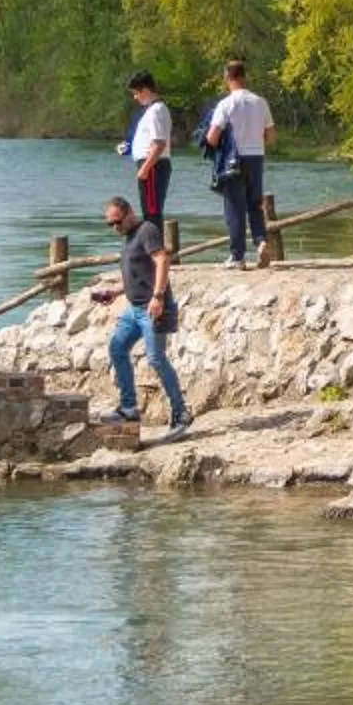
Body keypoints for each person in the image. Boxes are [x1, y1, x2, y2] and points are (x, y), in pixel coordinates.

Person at [91, 194, 188, 439]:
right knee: (117, 348)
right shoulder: (130, 237)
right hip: (134, 309)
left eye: (118, 222)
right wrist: (115, 291)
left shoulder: (147, 231)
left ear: (130, 213)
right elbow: (141, 273)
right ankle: (129, 408)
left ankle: (181, 413)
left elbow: (162, 259)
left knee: (156, 359)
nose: (115, 228)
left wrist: (158, 297)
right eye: (110, 224)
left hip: (152, 308)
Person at [206, 58, 274, 268]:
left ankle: (238, 257)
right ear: (244, 77)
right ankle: (261, 241)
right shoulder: (260, 102)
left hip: (233, 161)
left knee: (234, 208)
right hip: (256, 156)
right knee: (255, 203)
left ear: (228, 78)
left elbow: (212, 136)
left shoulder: (226, 104)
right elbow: (271, 135)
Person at [122, 72, 173, 224]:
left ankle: (154, 247)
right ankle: (153, 246)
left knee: (151, 213)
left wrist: (145, 168)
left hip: (152, 166)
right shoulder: (153, 110)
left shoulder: (156, 111)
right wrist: (130, 148)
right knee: (150, 211)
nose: (135, 97)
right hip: (152, 164)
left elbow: (159, 143)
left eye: (136, 93)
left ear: (145, 90)